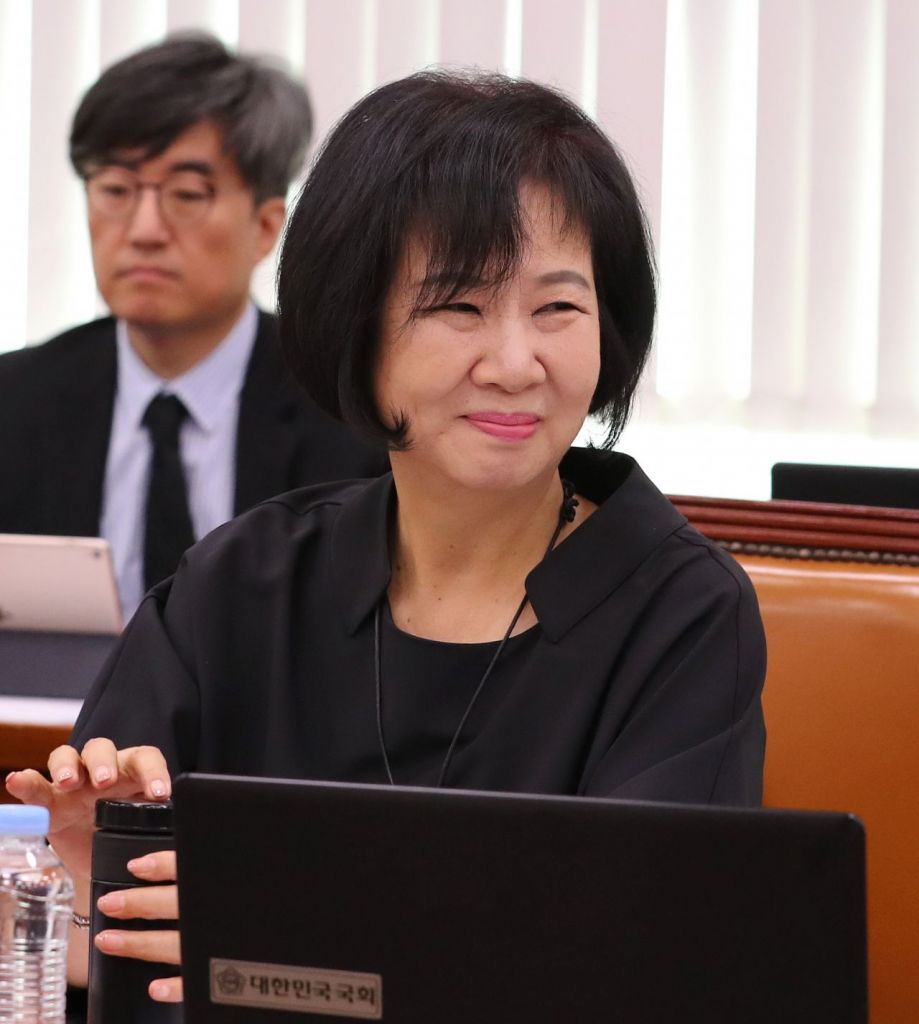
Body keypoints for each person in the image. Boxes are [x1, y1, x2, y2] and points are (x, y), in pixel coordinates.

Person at [6, 70, 767, 1007]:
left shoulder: (683, 613)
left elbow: (639, 965)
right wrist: (85, 902)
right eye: (459, 307)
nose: (515, 362)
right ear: (354, 323)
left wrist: (277, 931)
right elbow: (108, 932)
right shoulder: (238, 581)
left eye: (558, 309)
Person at [0, 33, 385, 621]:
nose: (144, 230)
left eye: (186, 193)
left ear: (265, 226)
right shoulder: (14, 402)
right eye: (115, 190)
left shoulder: (347, 409)